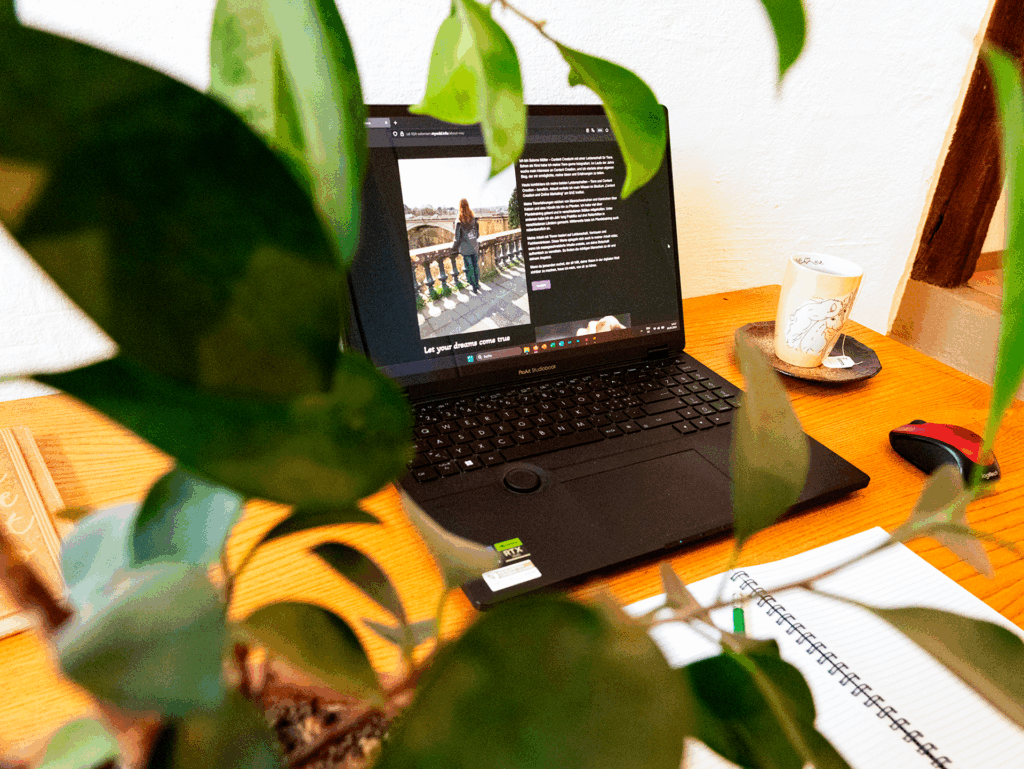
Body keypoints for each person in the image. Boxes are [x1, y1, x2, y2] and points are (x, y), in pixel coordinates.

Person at [451, 198, 481, 293]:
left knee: (469, 267)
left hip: (465, 248)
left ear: (460, 207)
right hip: (474, 246)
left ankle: (473, 287)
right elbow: (477, 234)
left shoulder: (459, 221)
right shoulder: (473, 218)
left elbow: (457, 238)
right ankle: (477, 284)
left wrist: (453, 248)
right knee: (475, 265)